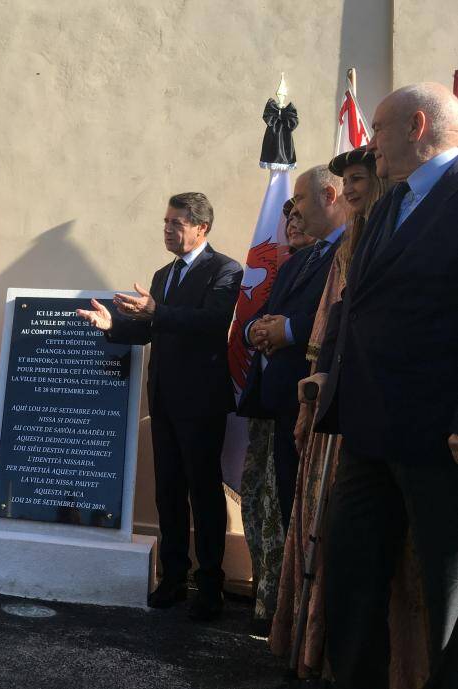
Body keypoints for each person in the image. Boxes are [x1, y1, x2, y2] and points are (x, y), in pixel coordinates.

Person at [301, 83, 458, 689]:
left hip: (435, 434)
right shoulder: (391, 204)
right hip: (367, 427)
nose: (370, 143)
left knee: (446, 595)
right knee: (352, 578)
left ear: (418, 125)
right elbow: (356, 301)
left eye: (381, 129)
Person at [76, 192, 243, 620]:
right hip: (165, 400)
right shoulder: (162, 274)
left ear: (201, 227)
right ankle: (172, 578)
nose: (168, 229)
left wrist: (157, 311)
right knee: (168, 492)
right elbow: (152, 329)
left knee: (204, 495)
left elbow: (211, 324)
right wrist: (114, 326)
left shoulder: (224, 270)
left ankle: (209, 586)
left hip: (202, 401)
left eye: (177, 223)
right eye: (165, 222)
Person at [238, 166, 347, 531]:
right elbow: (268, 311)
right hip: (284, 406)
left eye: (300, 199)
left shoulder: (352, 251)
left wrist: (287, 329)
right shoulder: (298, 260)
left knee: (321, 522)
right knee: (291, 515)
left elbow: (340, 314)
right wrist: (259, 330)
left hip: (321, 407)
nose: (294, 212)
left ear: (329, 197)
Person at [240, 197, 314, 630]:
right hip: (268, 404)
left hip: (303, 407)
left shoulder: (334, 261)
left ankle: (294, 611)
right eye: (286, 216)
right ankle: (272, 598)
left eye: (298, 213)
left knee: (294, 510)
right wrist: (259, 330)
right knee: (261, 501)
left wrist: (278, 331)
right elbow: (256, 321)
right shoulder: (288, 267)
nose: (291, 223)